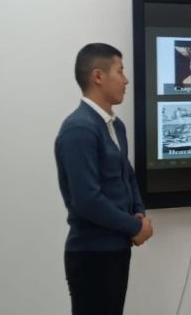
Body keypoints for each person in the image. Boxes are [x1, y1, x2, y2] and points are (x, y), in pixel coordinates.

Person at [55, 43, 153, 315]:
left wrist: (139, 212)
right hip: (92, 254)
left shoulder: (115, 126)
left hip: (116, 249)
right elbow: (86, 199)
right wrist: (134, 226)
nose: (126, 80)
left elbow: (127, 175)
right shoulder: (79, 129)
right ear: (98, 76)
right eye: (120, 71)